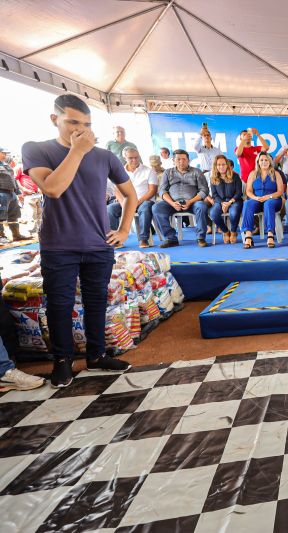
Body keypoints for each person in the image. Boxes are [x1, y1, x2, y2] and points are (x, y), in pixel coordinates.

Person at [22, 94, 135, 387]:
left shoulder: (105, 156)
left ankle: (97, 355)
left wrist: (123, 231)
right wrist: (77, 151)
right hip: (59, 245)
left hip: (99, 244)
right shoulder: (37, 149)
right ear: (54, 119)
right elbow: (53, 188)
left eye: (85, 124)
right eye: (73, 122)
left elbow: (130, 195)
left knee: (96, 301)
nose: (80, 129)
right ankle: (62, 361)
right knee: (59, 305)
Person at [152, 149, 211, 248]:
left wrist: (190, 201)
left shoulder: (197, 172)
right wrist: (172, 203)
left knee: (201, 206)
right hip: (172, 203)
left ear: (188, 160)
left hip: (193, 202)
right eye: (178, 159)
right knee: (156, 208)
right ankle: (171, 238)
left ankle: (201, 237)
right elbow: (162, 191)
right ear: (173, 160)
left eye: (184, 159)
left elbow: (204, 190)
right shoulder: (167, 173)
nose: (181, 161)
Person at [108, 147, 157, 248]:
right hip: (125, 202)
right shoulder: (119, 171)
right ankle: (115, 240)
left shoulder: (149, 171)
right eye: (131, 158)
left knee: (146, 207)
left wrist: (135, 203)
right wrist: (126, 205)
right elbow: (117, 190)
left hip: (143, 201)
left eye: (136, 157)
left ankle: (144, 239)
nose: (134, 160)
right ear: (125, 158)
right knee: (110, 208)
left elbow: (152, 191)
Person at [241, 152, 283, 249]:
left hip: (274, 199)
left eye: (266, 160)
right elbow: (248, 191)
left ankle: (270, 235)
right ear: (258, 162)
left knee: (268, 204)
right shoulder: (253, 174)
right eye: (261, 160)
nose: (264, 162)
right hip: (257, 199)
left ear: (270, 162)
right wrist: (255, 198)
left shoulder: (276, 173)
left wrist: (269, 197)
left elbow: (280, 191)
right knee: (247, 203)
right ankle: (248, 236)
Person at [209, 154, 243, 245]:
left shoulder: (235, 176)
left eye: (223, 164)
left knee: (234, 213)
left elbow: (239, 193)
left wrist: (229, 202)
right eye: (219, 164)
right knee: (213, 213)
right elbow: (214, 195)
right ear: (216, 166)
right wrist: (223, 203)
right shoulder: (213, 178)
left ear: (227, 165)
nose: (221, 167)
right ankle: (225, 231)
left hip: (234, 201)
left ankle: (233, 232)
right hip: (221, 202)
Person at [0, 149, 27, 242]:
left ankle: (16, 235)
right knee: (1, 215)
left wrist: (18, 192)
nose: (5, 155)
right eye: (3, 153)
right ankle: (1, 236)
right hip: (1, 193)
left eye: (5, 153)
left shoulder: (6, 165)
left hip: (11, 193)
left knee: (14, 215)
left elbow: (13, 179)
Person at [14, 160, 43, 235]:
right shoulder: (19, 167)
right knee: (31, 213)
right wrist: (24, 189)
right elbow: (16, 180)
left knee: (40, 213)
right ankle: (32, 231)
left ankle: (40, 230)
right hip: (28, 194)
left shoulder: (35, 166)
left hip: (38, 194)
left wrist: (40, 187)